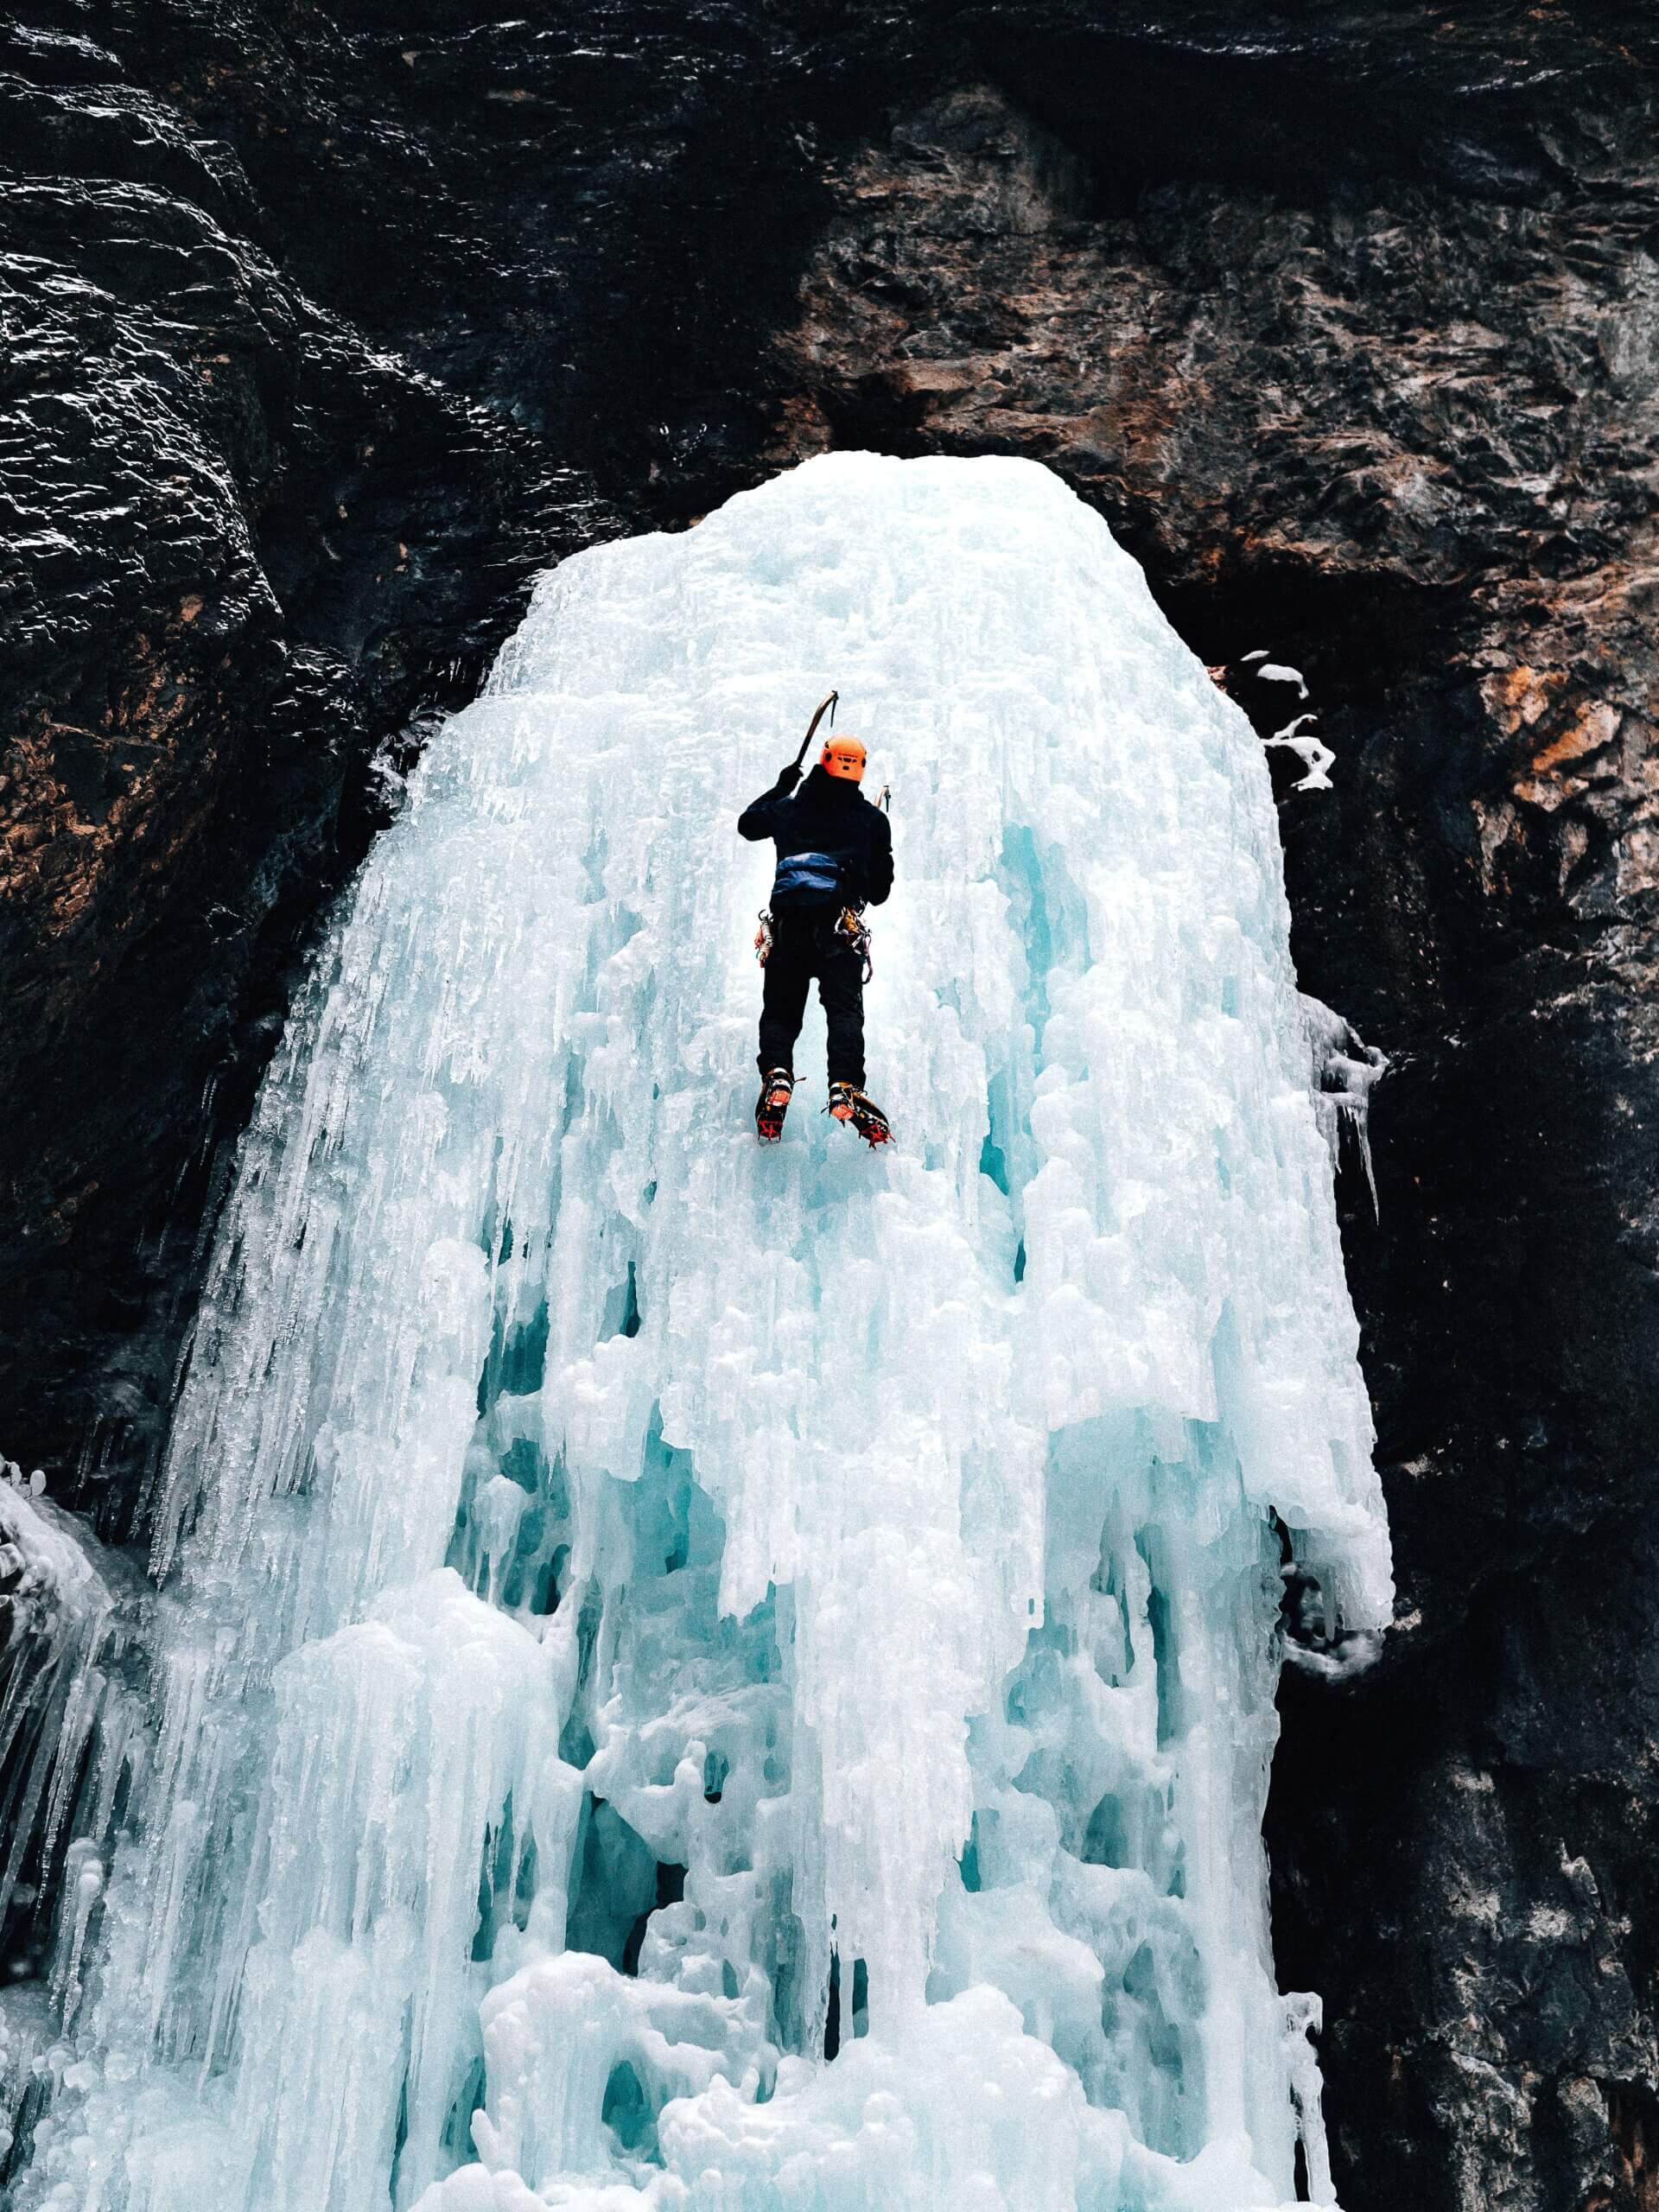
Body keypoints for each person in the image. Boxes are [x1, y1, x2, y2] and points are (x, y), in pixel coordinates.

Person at [739, 696, 893, 1146]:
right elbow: (880, 893)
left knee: (782, 1012)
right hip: (838, 930)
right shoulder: (871, 820)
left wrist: (781, 787)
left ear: (823, 763)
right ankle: (844, 1085)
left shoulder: (789, 808)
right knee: (843, 1011)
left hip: (788, 928)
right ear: (859, 770)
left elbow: (749, 825)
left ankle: (778, 1075)